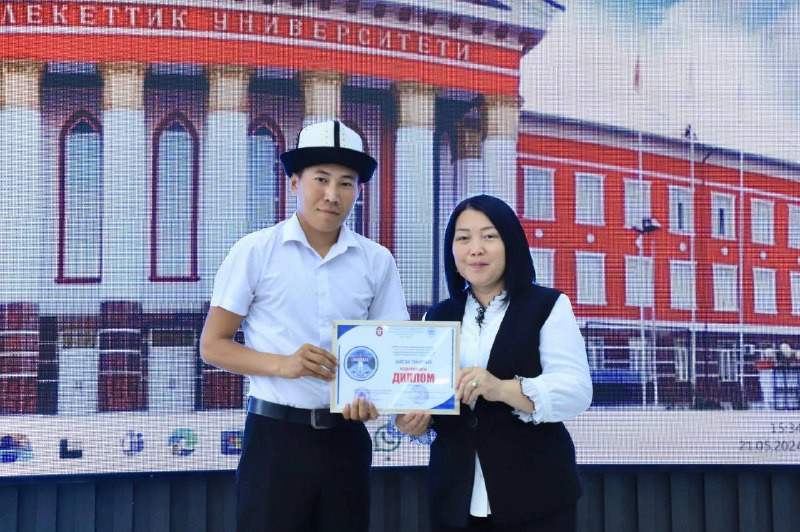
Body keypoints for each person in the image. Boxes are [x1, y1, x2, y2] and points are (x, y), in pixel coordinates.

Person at [200, 120, 409, 532]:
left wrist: (379, 399)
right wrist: (284, 364)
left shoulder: (377, 261)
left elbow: (393, 351)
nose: (332, 194)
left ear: (358, 191)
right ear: (295, 182)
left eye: (346, 183)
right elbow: (213, 345)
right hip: (275, 439)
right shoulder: (255, 251)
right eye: (321, 179)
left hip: (346, 439)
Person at [395, 194, 592, 531]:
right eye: (463, 238)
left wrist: (500, 388)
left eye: (489, 236)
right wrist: (414, 423)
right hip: (454, 501)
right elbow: (425, 397)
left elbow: (576, 392)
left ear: (510, 243)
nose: (476, 249)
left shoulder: (549, 305)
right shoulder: (436, 317)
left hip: (538, 497)